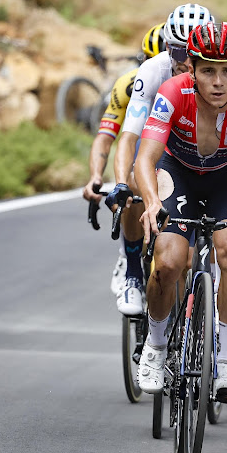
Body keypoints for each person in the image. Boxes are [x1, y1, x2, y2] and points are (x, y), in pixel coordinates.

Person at [134, 22, 227, 402]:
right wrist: (151, 202)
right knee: (168, 261)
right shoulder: (171, 93)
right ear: (192, 70)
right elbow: (145, 159)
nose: (218, 81)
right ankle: (156, 343)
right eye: (208, 71)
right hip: (177, 171)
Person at [103, 4, 214, 316]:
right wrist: (122, 183)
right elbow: (128, 139)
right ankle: (133, 271)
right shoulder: (152, 71)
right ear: (168, 48)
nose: (187, 63)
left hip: (204, 156)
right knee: (137, 184)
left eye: (195, 54)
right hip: (161, 150)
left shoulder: (221, 72)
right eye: (179, 53)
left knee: (194, 256)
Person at [82, 23, 168, 300]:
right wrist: (96, 176)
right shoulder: (129, 84)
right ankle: (131, 266)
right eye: (149, 61)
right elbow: (106, 137)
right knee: (131, 188)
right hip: (144, 154)